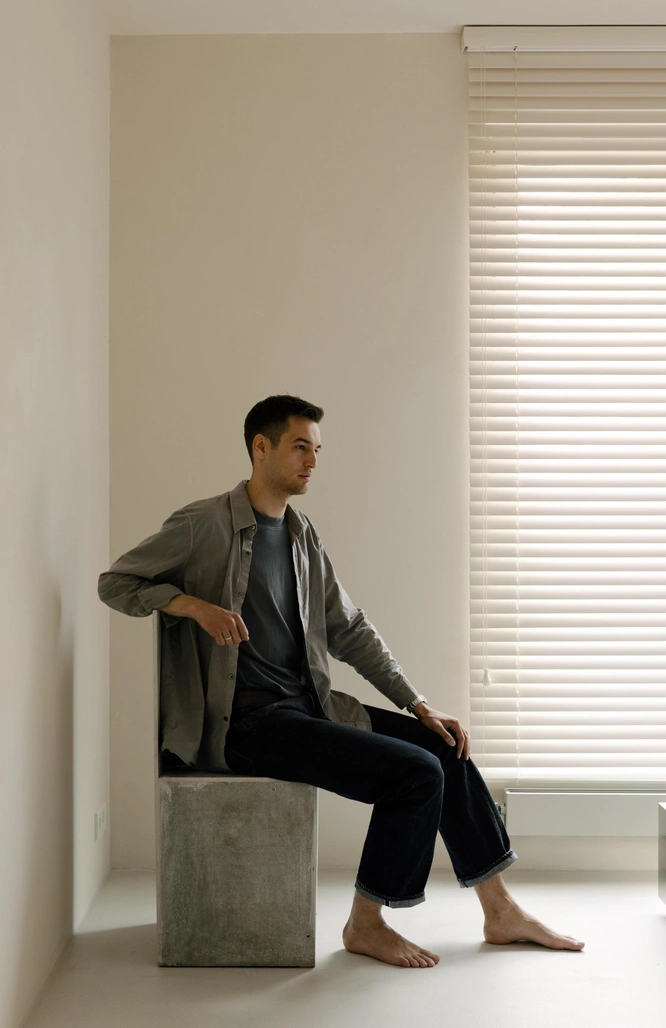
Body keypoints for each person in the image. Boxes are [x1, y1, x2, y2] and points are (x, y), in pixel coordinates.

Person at [98, 393, 584, 967]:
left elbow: (348, 627)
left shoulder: (301, 536)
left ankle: (499, 909)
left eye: (317, 450)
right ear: (261, 447)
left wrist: (417, 703)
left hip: (309, 707)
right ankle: (365, 924)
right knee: (415, 774)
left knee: (443, 746)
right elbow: (116, 582)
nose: (312, 461)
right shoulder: (201, 524)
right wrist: (192, 606)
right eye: (300, 447)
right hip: (246, 724)